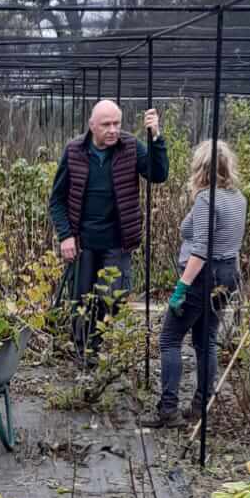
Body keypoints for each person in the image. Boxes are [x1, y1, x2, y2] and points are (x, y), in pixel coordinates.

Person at [48, 100, 168, 356]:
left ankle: (101, 346)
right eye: (106, 125)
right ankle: (84, 355)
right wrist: (65, 236)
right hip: (83, 242)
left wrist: (156, 137)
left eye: (117, 123)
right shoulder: (74, 151)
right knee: (81, 300)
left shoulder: (130, 147)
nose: (113, 130)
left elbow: (158, 174)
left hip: (117, 240)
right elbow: (57, 200)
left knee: (114, 297)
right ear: (92, 125)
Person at [157, 138, 246, 426]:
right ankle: (201, 405)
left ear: (200, 167)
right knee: (205, 340)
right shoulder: (237, 197)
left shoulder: (208, 200)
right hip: (227, 274)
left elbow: (201, 250)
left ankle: (168, 410)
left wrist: (181, 288)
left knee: (169, 339)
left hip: (202, 276)